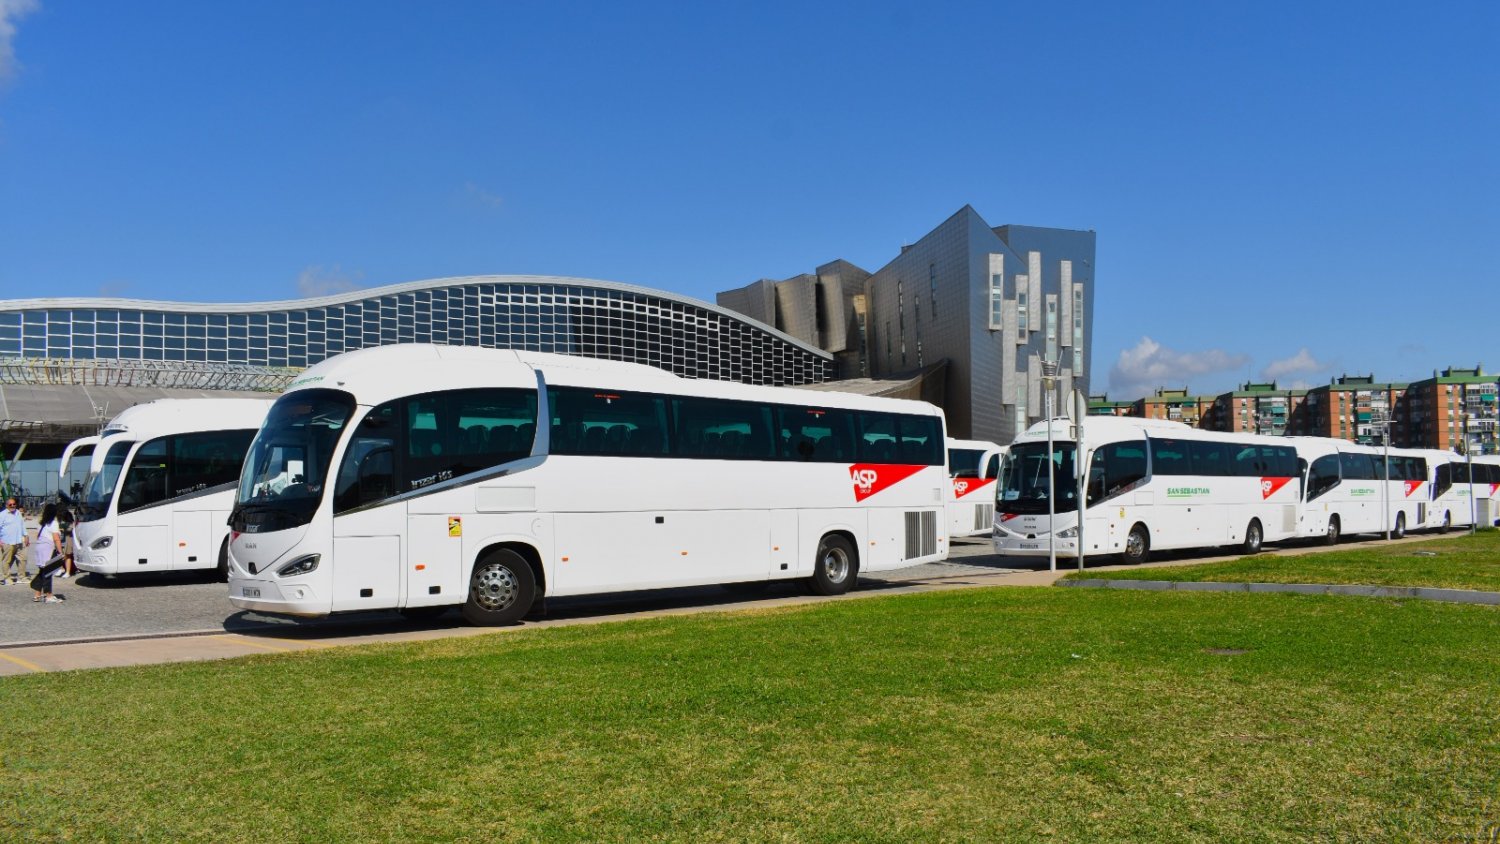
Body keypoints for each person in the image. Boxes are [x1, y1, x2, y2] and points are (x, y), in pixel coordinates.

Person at [29, 503, 64, 603]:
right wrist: (60, 552)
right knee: (48, 572)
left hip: (39, 548)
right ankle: (49, 596)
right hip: (48, 549)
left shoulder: (41, 523)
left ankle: (37, 594)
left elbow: (37, 536)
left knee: (42, 571)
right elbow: (56, 539)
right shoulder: (54, 523)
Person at [0, 497, 30, 584]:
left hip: (19, 541)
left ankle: (22, 577)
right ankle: (7, 578)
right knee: (7, 561)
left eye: (14, 504)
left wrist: (26, 536)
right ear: (6, 505)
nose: (12, 506)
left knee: (23, 559)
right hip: (7, 542)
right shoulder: (2, 515)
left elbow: (22, 525)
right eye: (10, 504)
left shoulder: (18, 513)